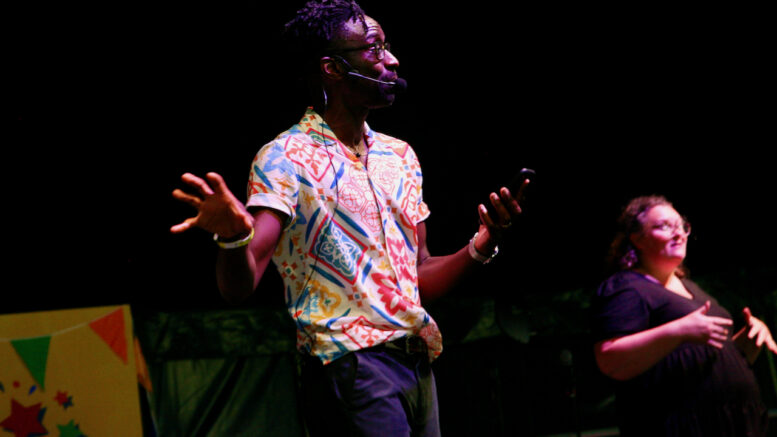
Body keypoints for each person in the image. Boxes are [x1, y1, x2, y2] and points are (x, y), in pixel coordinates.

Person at [170, 1, 528, 435]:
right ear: (333, 68)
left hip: (416, 363)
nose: (391, 60)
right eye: (374, 50)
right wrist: (233, 238)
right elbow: (239, 286)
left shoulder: (400, 157)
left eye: (388, 47)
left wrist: (481, 245)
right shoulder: (285, 158)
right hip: (351, 366)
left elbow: (418, 277)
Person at [591, 195, 777, 436]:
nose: (678, 234)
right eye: (664, 226)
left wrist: (744, 346)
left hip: (736, 423)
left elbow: (697, 360)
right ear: (636, 238)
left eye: (682, 226)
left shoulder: (692, 290)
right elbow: (609, 358)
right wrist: (678, 331)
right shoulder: (627, 287)